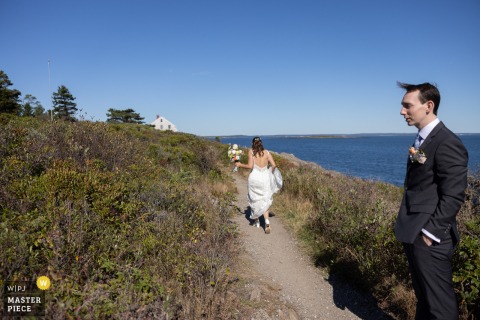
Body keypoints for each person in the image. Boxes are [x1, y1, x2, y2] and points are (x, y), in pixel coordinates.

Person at [394, 82, 468, 319]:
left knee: (440, 308)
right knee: (424, 299)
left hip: (431, 238)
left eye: (407, 106)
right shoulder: (423, 140)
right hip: (415, 231)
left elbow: (454, 194)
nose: (401, 111)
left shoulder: (447, 142)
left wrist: (429, 234)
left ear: (428, 106)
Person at [235, 136, 277, 234]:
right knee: (264, 200)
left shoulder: (251, 152)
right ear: (261, 143)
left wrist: (240, 165)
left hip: (255, 178)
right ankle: (267, 222)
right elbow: (274, 165)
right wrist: (269, 173)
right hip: (265, 178)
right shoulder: (267, 152)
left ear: (253, 143)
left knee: (255, 199)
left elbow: (250, 166)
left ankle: (257, 221)